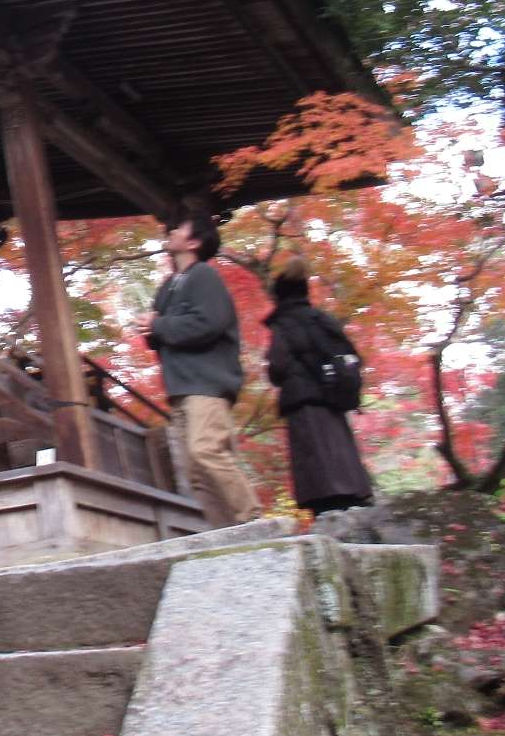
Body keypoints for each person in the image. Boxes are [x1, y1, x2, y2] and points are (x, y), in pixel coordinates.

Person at [143, 210, 262, 527]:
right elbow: (160, 332)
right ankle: (225, 532)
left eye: (179, 227)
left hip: (206, 382)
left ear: (194, 242)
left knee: (205, 450)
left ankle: (251, 518)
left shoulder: (204, 276)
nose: (171, 231)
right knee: (196, 471)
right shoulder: (169, 285)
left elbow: (208, 323)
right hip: (180, 385)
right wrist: (152, 328)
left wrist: (159, 325)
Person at [264, 257, 375, 516]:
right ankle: (354, 500)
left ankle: (328, 508)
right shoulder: (322, 319)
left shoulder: (285, 324)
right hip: (333, 398)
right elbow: (349, 354)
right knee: (339, 454)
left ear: (279, 296)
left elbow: (278, 367)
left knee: (317, 461)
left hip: (303, 402)